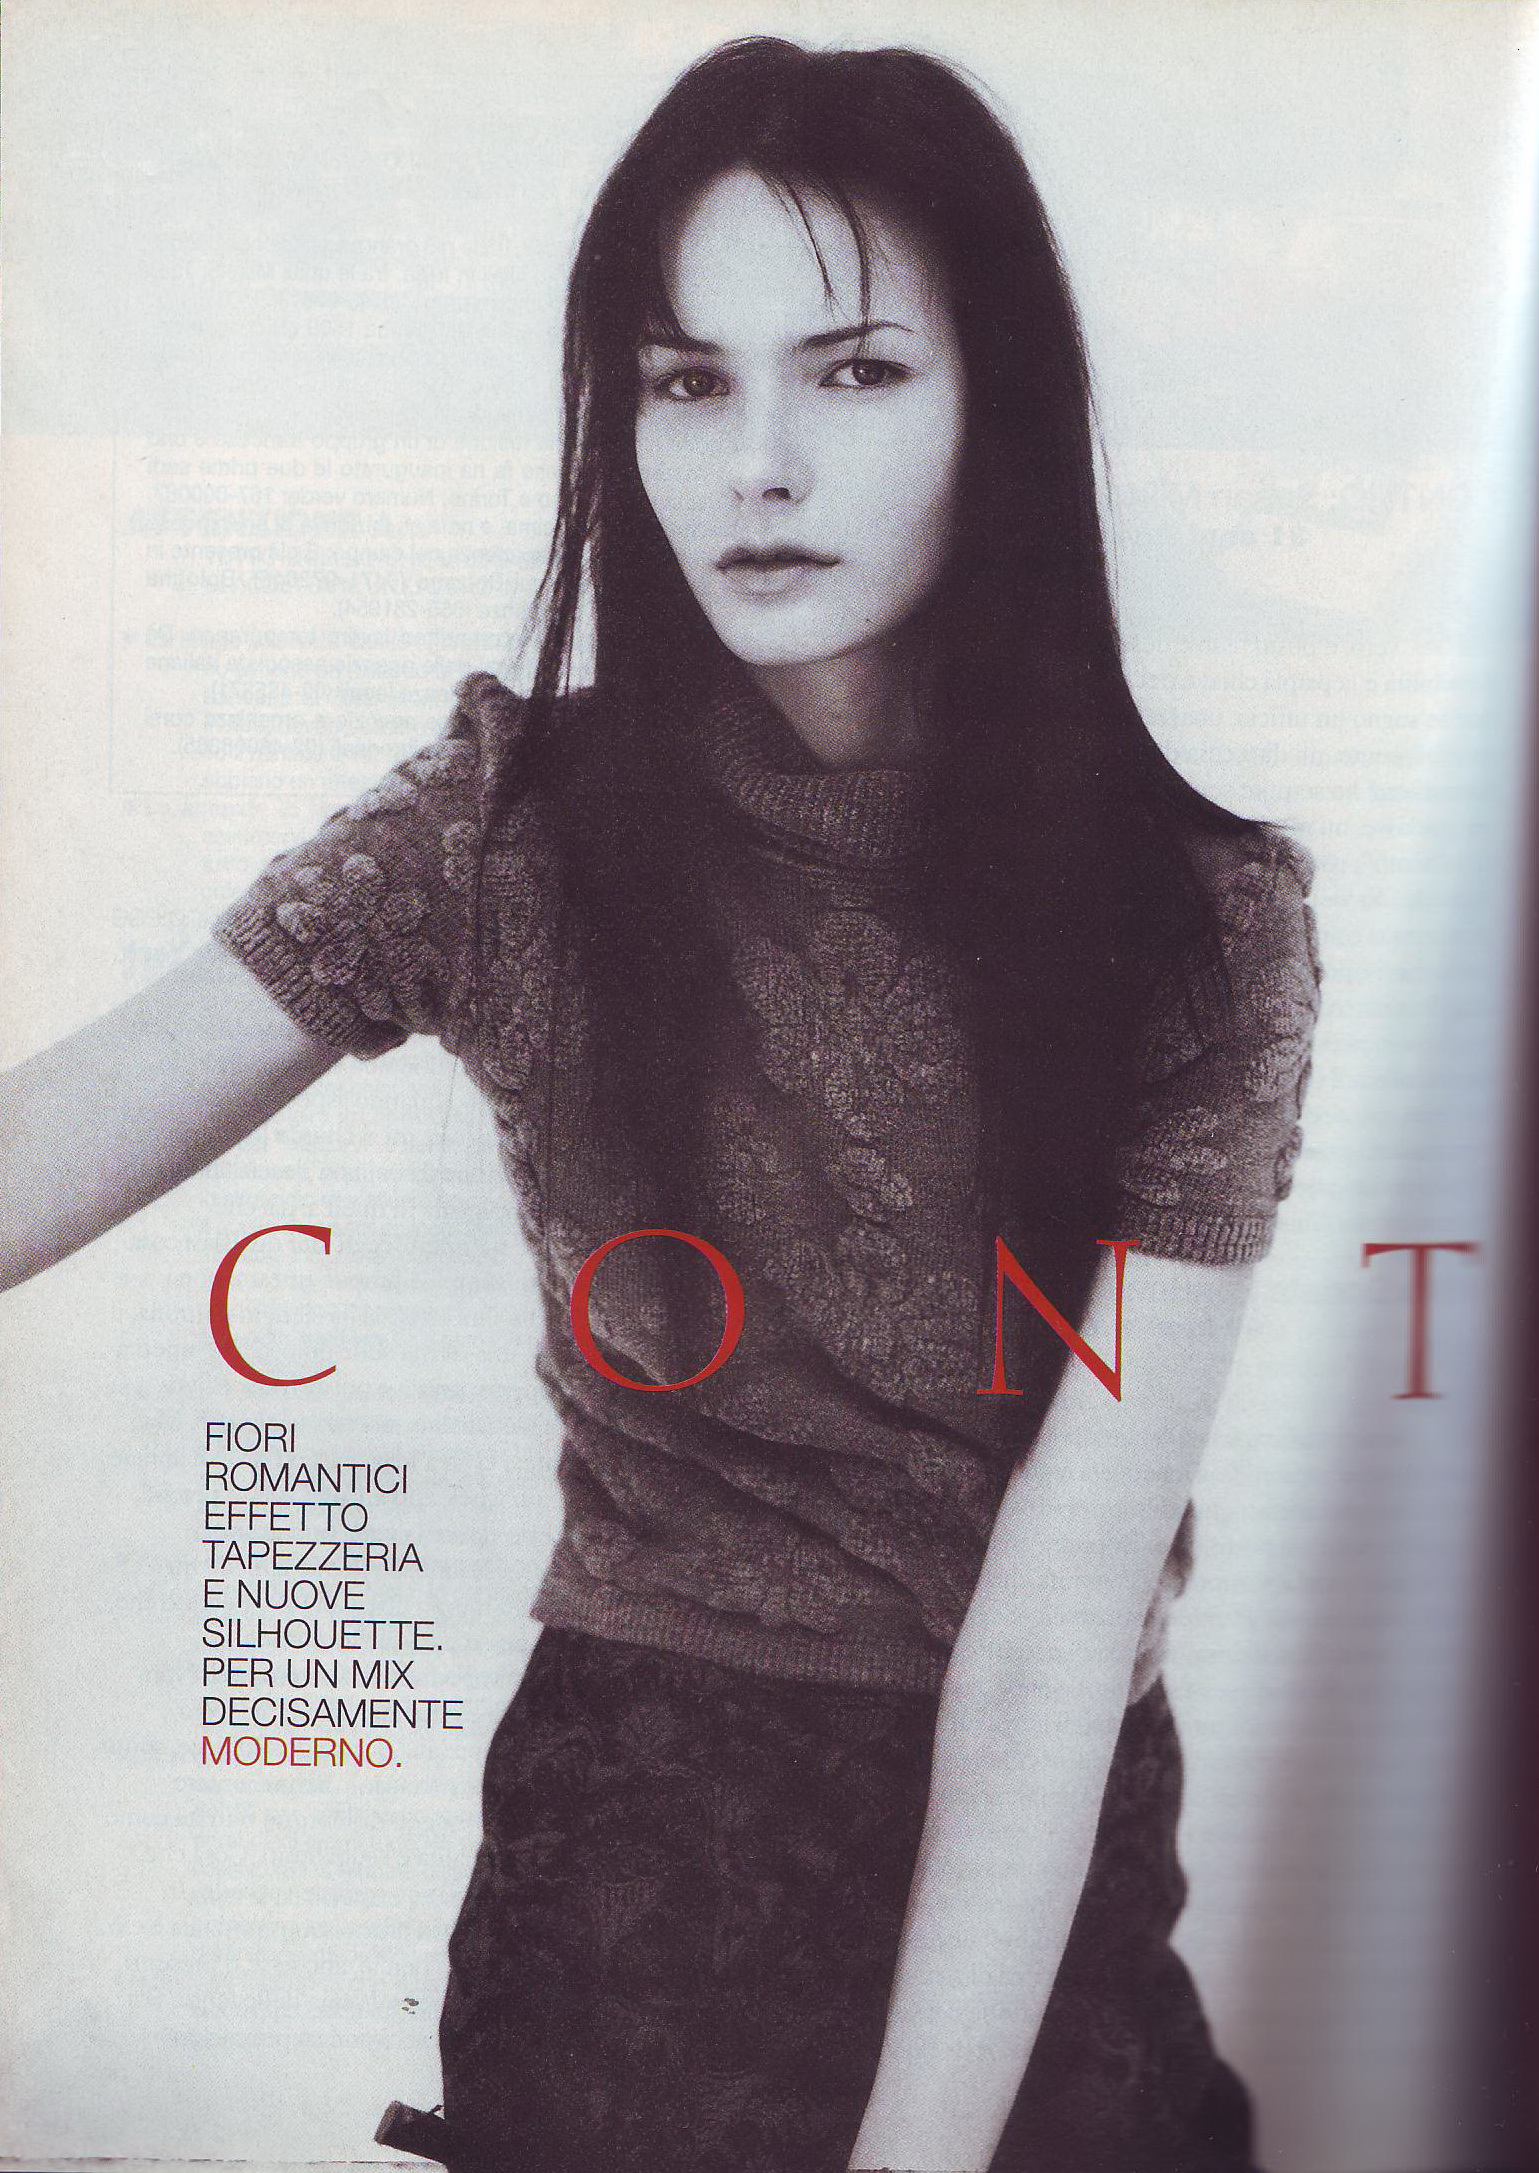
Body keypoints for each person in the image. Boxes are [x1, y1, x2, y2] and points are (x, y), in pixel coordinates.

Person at [0, 36, 1322, 2173]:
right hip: (638, 1872)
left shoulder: (1200, 920)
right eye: (687, 381)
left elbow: (1056, 1621)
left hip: (1046, 1854)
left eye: (854, 371)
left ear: (995, 403)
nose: (758, 464)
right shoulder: (502, 834)